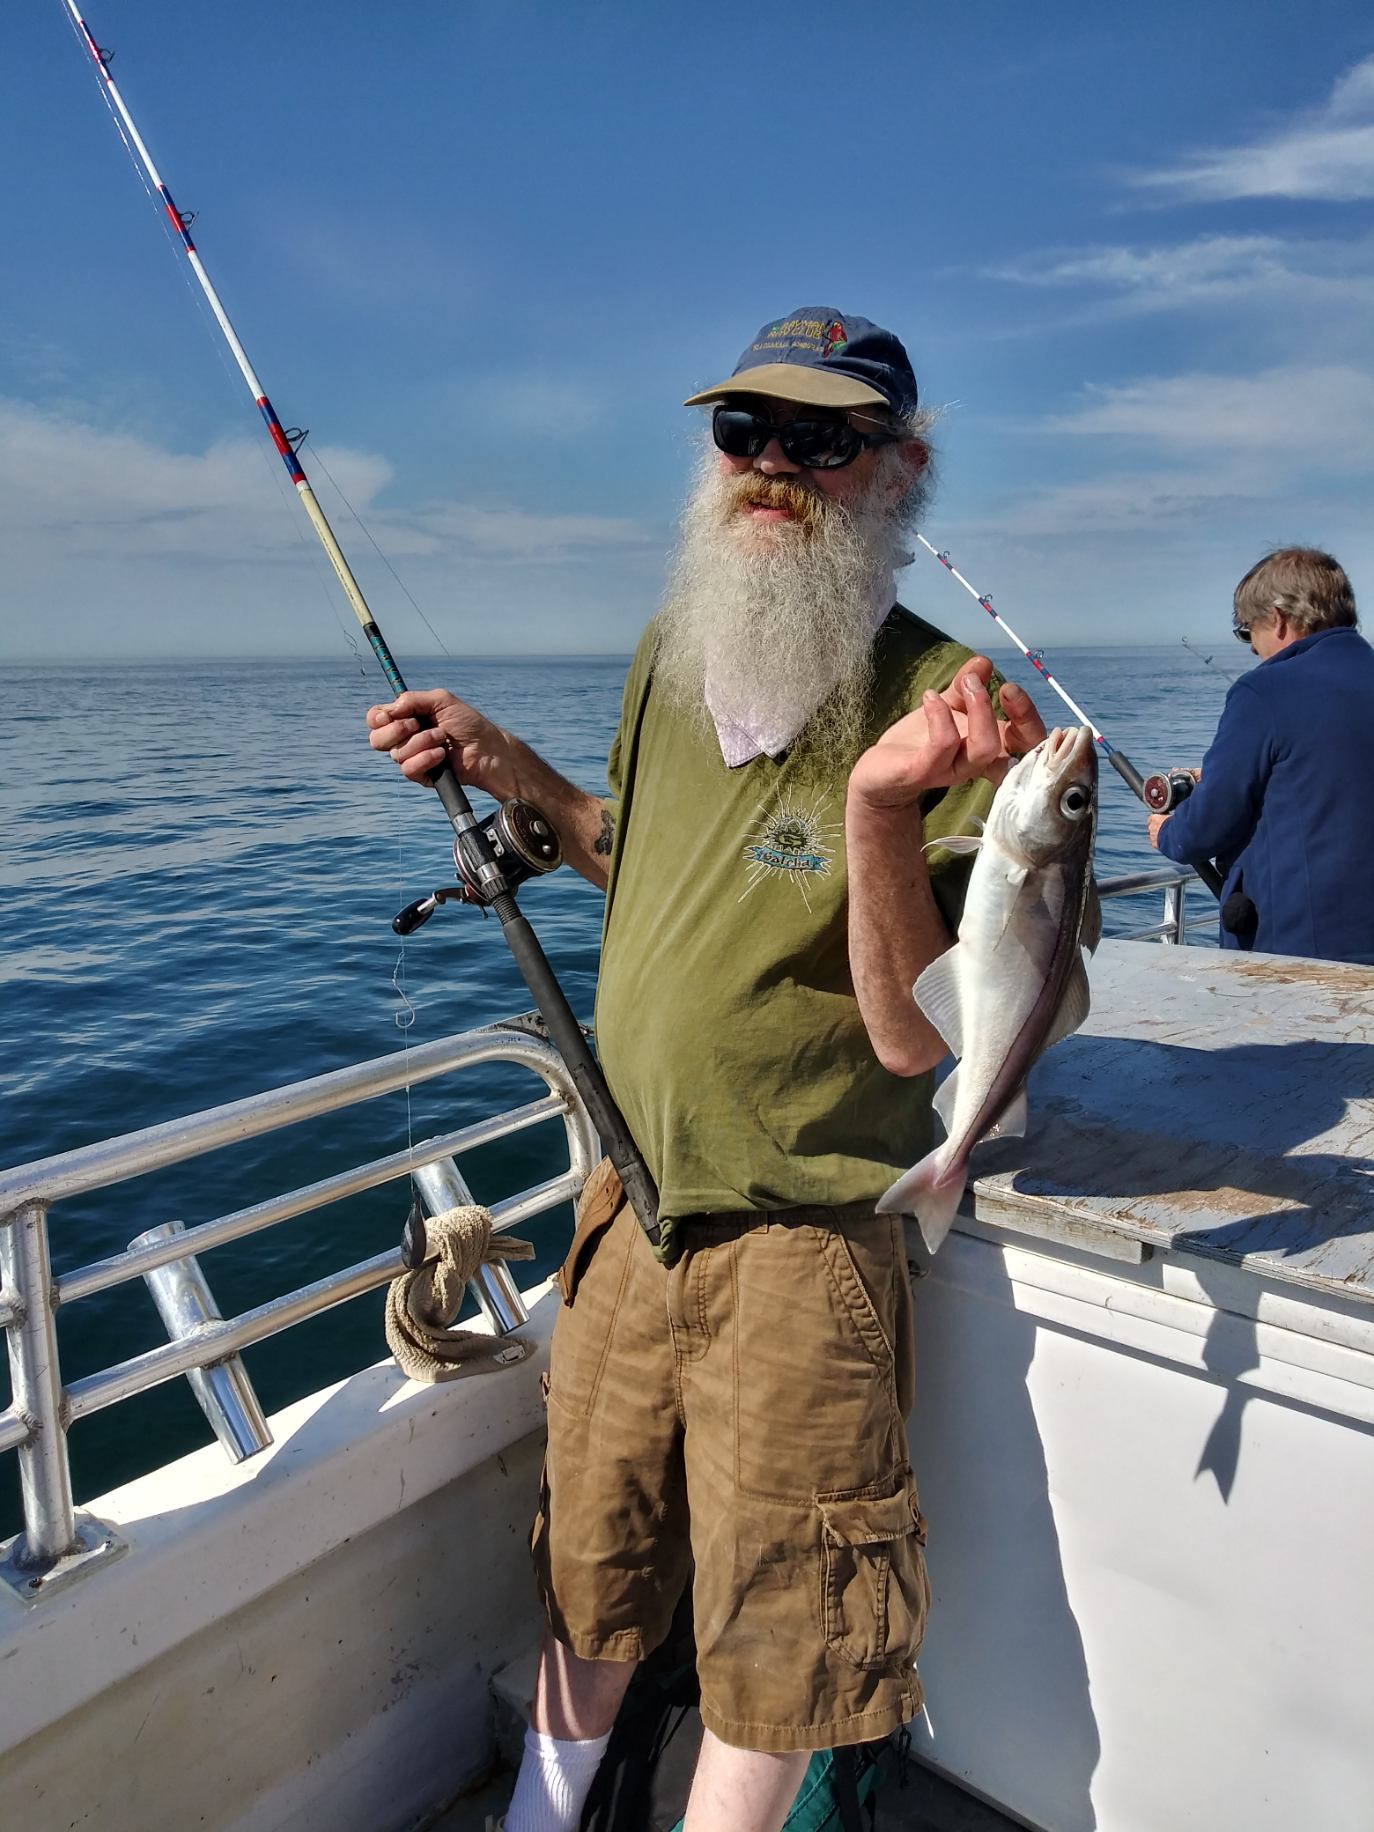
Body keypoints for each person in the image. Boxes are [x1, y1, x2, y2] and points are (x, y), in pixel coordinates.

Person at [367, 308, 1048, 1832]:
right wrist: (509, 770)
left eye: (821, 439)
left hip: (804, 1241)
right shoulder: (677, 646)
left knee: (785, 1642)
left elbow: (917, 1037)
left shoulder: (955, 708)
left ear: (900, 469)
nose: (771, 469)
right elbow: (639, 863)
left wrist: (880, 814)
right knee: (589, 1570)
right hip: (632, 1206)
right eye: (744, 432)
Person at [1147, 548, 1374, 963]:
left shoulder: (1263, 691)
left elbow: (1207, 827)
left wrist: (1166, 830)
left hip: (1295, 954)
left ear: (1279, 618)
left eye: (1246, 629)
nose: (1250, 648)